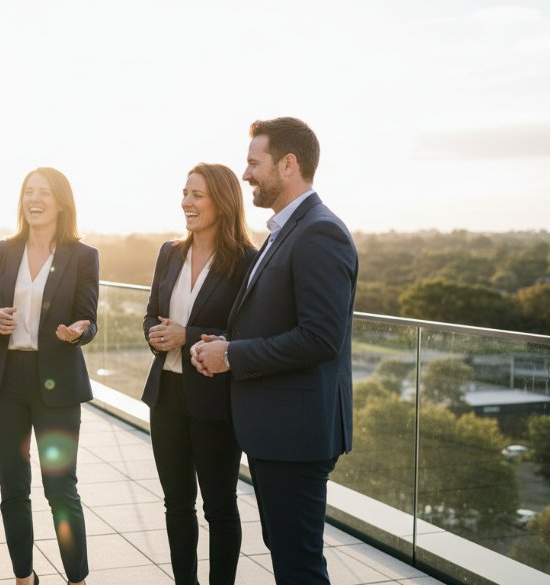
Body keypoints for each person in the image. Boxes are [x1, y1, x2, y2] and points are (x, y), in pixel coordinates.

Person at [191, 117, 358, 585]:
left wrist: (234, 356)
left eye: (253, 163)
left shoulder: (320, 233)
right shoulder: (285, 231)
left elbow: (321, 338)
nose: (245, 175)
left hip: (297, 435)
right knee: (288, 557)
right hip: (278, 431)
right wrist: (221, 343)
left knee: (299, 566)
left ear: (288, 164)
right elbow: (273, 318)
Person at [0, 167, 98, 585]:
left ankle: (77, 578)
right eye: (28, 191)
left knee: (60, 488)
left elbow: (89, 319)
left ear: (61, 201)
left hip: (58, 384)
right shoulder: (2, 250)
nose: (34, 199)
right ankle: (23, 577)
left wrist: (79, 331)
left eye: (43, 192)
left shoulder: (83, 256)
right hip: (5, 382)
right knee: (13, 489)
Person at [142, 163, 257, 585]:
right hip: (166, 396)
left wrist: (185, 336)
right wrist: (155, 337)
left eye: (197, 195)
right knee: (176, 503)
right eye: (185, 193)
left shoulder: (246, 260)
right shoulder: (169, 252)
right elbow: (151, 316)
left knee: (220, 507)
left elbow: (247, 332)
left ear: (222, 201)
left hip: (215, 399)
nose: (186, 203)